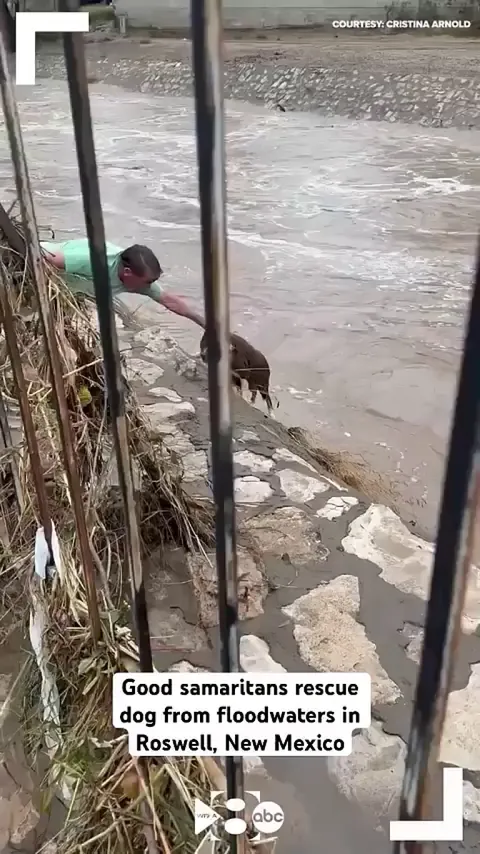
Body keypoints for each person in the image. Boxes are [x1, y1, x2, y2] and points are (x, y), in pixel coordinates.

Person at [40, 239, 205, 328]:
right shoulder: (95, 261)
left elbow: (169, 300)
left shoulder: (139, 280)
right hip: (39, 272)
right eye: (147, 282)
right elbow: (44, 256)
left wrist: (204, 324)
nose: (148, 287)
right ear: (127, 273)